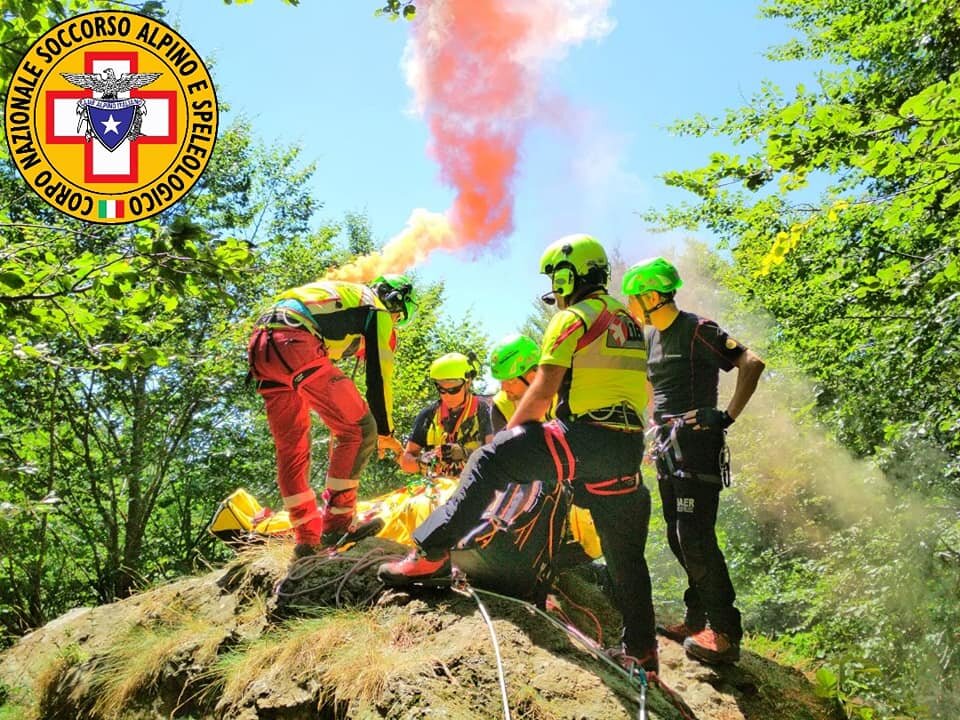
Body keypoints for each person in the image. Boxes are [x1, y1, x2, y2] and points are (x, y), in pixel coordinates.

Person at [379, 234, 660, 673]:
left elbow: (544, 388)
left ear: (568, 275)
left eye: (555, 278)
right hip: (625, 447)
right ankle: (642, 651)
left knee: (489, 459)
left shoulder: (573, 318)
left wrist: (508, 441)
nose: (555, 288)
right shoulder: (629, 322)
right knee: (626, 558)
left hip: (586, 435)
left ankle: (430, 553)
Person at [621, 256, 765, 665]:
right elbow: (654, 391)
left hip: (698, 448)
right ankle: (696, 618)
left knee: (694, 536)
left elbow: (752, 363)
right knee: (676, 534)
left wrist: (726, 417)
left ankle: (725, 632)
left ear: (651, 295)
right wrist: (650, 432)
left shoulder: (698, 329)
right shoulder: (650, 338)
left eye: (633, 297)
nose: (630, 305)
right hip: (668, 449)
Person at [247, 274, 415, 556]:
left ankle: (306, 537)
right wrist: (385, 431)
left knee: (291, 448)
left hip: (261, 346)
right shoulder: (378, 309)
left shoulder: (343, 298)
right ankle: (338, 524)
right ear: (396, 302)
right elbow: (380, 375)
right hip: (295, 342)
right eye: (399, 317)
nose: (395, 323)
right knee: (360, 430)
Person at [399, 352, 493, 476]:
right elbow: (406, 462)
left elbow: (496, 458)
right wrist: (421, 462)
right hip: (439, 486)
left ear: (468, 382)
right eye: (441, 389)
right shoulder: (428, 416)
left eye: (454, 390)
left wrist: (465, 453)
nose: (447, 396)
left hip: (476, 485)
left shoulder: (485, 411)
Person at [488, 333, 541, 433]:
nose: (503, 388)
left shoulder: (561, 394)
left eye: (510, 380)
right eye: (501, 381)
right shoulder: (501, 405)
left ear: (533, 377)